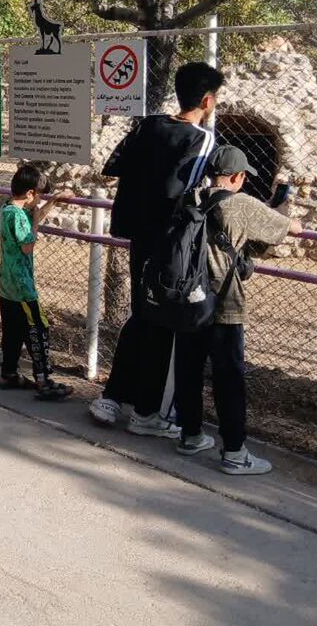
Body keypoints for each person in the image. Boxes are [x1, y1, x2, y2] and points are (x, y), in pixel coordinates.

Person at [89, 61, 221, 437]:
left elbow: (116, 164)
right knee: (163, 319)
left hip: (138, 235)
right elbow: (181, 188)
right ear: (208, 101)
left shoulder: (148, 124)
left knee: (141, 314)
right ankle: (146, 413)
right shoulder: (202, 139)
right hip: (170, 242)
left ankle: (112, 397)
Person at [173, 145, 301, 476]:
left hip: (187, 300)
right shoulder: (242, 204)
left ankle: (190, 435)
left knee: (188, 370)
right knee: (228, 378)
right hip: (223, 303)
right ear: (237, 177)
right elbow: (292, 228)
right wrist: (281, 204)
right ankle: (233, 452)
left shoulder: (189, 198)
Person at [0, 164, 75, 400]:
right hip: (23, 287)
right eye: (40, 196)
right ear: (30, 193)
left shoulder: (6, 208)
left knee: (12, 330)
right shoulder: (18, 216)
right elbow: (28, 245)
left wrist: (52, 202)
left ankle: (9, 373)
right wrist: (36, 222)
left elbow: (33, 218)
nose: (39, 201)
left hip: (7, 284)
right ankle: (44, 380)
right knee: (38, 328)